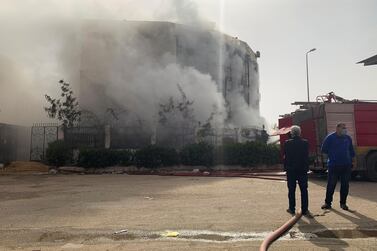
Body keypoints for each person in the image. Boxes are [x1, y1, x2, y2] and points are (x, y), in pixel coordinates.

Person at [321, 123, 355, 210]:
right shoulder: (330, 138)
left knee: (345, 185)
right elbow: (323, 149)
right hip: (334, 165)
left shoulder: (347, 138)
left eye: (345, 128)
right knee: (331, 185)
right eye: (343, 128)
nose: (345, 129)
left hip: (346, 165)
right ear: (337, 128)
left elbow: (351, 150)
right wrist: (333, 155)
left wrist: (354, 161)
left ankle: (343, 203)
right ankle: (328, 203)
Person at [284, 125, 309, 215]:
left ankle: (292, 208)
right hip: (302, 170)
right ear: (300, 133)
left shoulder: (287, 143)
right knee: (304, 190)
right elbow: (306, 156)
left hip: (291, 170)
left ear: (291, 133)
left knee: (291, 190)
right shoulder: (305, 143)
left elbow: (286, 157)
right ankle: (305, 209)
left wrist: (286, 168)